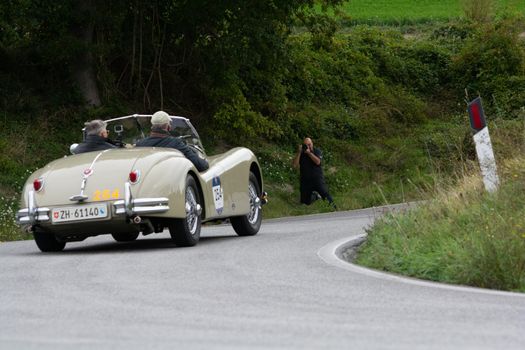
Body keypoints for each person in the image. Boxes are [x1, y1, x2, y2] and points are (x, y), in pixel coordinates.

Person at [135, 110, 209, 172]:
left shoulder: (140, 144)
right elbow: (201, 166)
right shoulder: (175, 143)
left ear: (152, 126)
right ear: (168, 127)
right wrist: (206, 162)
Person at [292, 137, 336, 209]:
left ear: (312, 144)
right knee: (305, 201)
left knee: (325, 193)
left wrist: (309, 153)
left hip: (317, 178)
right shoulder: (301, 154)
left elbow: (318, 162)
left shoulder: (316, 151)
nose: (308, 147)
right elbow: (294, 165)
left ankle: (334, 207)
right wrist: (299, 152)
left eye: (309, 144)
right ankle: (315, 196)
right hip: (305, 181)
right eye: (306, 145)